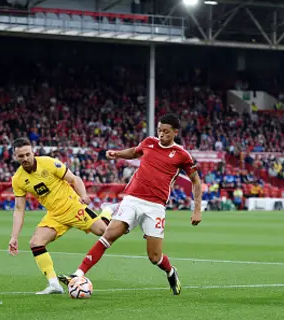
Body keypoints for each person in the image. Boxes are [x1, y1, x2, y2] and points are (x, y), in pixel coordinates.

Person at [58, 113, 203, 296]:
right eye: (159, 130)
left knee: (154, 257)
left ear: (175, 132)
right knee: (109, 234)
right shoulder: (149, 142)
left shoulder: (182, 155)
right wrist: (117, 154)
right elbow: (135, 151)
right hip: (132, 199)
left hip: (155, 207)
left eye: (166, 131)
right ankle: (77, 274)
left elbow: (196, 181)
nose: (161, 134)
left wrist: (197, 209)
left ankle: (171, 272)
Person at [7, 137, 113, 295]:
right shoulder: (18, 179)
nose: (25, 158)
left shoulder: (49, 163)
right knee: (36, 243)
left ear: (32, 151)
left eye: (27, 154)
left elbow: (74, 179)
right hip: (54, 215)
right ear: (15, 156)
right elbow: (19, 208)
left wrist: (83, 195)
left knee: (104, 232)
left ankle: (108, 210)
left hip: (73, 206)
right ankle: (54, 284)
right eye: (21, 156)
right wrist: (14, 236)